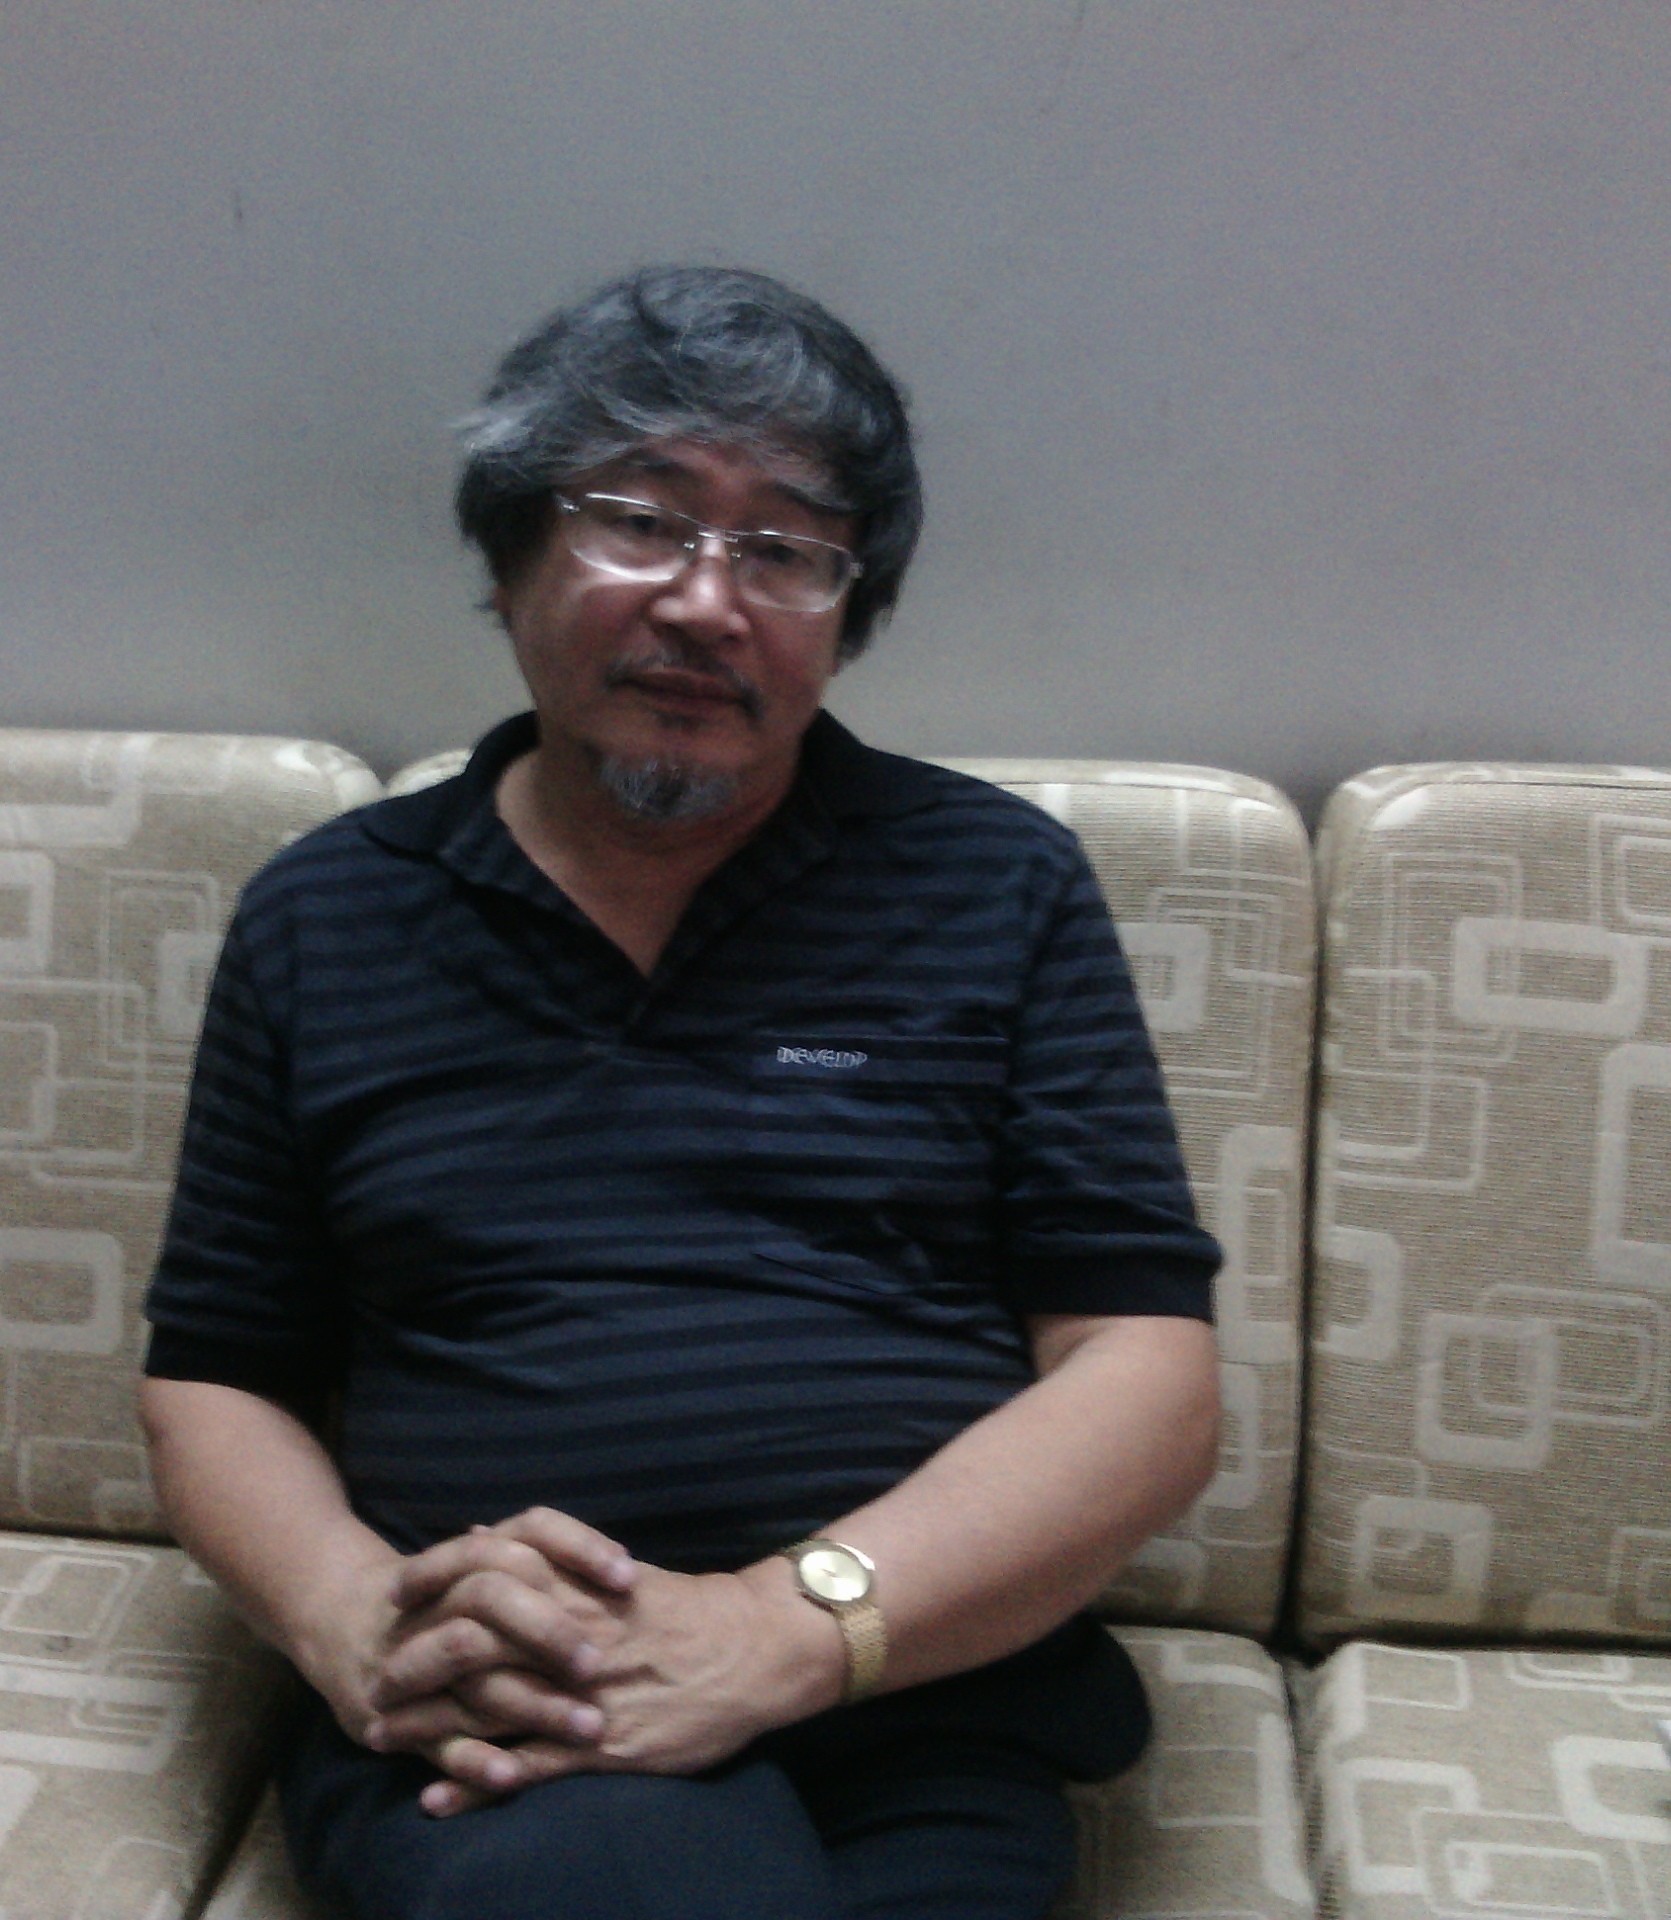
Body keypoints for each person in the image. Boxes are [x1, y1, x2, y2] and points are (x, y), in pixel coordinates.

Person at [140, 265, 1223, 1920]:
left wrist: (781, 1630)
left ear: (846, 616)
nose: (708, 603)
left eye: (785, 549)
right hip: (515, 1700)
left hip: (914, 1681)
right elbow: (220, 1375)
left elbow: (1145, 1372)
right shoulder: (327, 915)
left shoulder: (996, 885)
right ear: (511, 561)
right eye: (639, 521)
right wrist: (350, 1614)